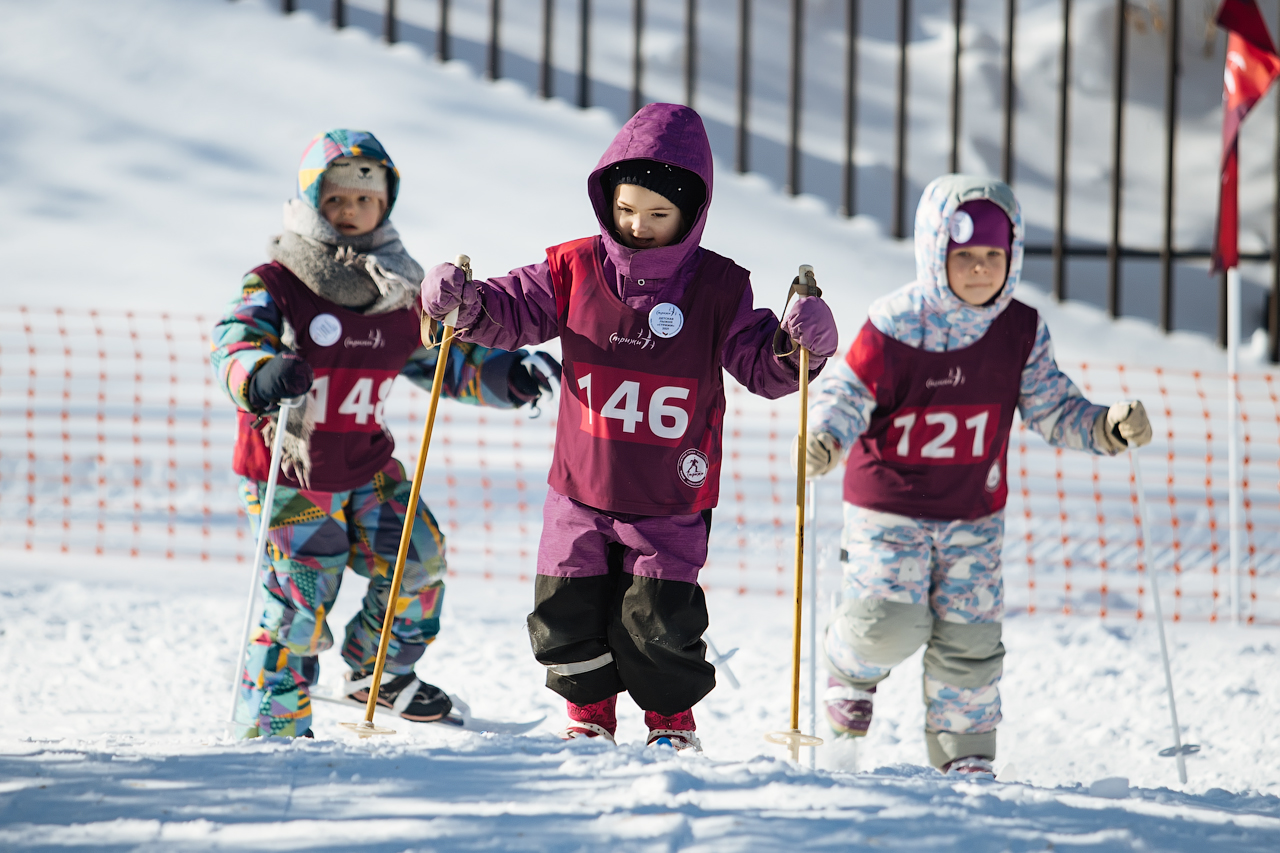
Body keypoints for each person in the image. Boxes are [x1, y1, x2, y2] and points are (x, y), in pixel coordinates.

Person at [419, 104, 838, 750]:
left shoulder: (717, 289)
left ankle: (672, 722)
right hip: (581, 487)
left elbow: (763, 365)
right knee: (564, 613)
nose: (638, 226)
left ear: (692, 212)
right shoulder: (575, 269)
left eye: (658, 214)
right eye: (626, 209)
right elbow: (513, 310)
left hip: (668, 494)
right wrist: (466, 303)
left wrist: (795, 349)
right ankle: (589, 713)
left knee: (659, 620)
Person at [211, 129, 559, 739]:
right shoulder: (277, 280)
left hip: (365, 459)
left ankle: (378, 673)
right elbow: (233, 342)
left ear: (385, 205)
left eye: (363, 200)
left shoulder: (399, 287)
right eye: (335, 199)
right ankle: (272, 715)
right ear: (310, 200)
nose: (349, 212)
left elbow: (442, 361)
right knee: (302, 591)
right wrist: (260, 375)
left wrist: (509, 374)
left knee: (418, 558)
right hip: (292, 468)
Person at [800, 174, 1152, 776]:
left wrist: (1105, 426)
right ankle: (849, 671)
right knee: (887, 622)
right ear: (935, 253)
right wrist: (825, 438)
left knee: (970, 638)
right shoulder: (895, 324)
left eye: (995, 255)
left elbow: (1052, 406)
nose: (983, 268)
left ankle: (965, 753)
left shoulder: (1018, 330)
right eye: (965, 256)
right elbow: (846, 391)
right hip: (891, 508)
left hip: (974, 515)